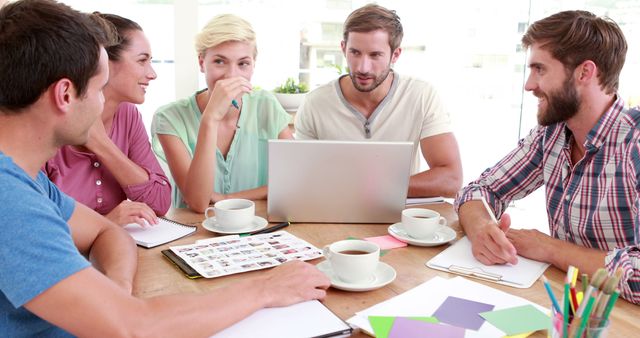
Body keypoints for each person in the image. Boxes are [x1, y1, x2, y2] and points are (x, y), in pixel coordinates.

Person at [0, 1, 329, 336]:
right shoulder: (9, 200)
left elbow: (105, 231)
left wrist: (117, 291)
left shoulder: (28, 179)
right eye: (100, 89)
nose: (103, 104)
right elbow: (134, 326)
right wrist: (266, 289)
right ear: (66, 95)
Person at [455, 10, 640, 304]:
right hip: (569, 305)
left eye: (540, 69)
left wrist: (551, 248)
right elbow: (480, 190)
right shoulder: (552, 134)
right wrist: (482, 229)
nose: (529, 85)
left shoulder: (634, 145)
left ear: (584, 72)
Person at [295, 4, 463, 198]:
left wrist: (374, 189)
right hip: (334, 214)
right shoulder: (315, 103)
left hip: (398, 220)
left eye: (375, 55)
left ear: (395, 55)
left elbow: (451, 179)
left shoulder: (421, 95)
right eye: (355, 52)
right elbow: (301, 178)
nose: (363, 67)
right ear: (343, 48)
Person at [152, 14, 293, 212]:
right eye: (220, 62)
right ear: (202, 63)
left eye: (243, 63)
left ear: (253, 65)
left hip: (257, 229)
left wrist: (226, 198)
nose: (231, 75)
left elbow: (295, 181)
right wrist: (210, 119)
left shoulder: (266, 106)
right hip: (197, 233)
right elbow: (198, 202)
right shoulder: (170, 118)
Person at [44, 13, 171, 227]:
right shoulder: (51, 123)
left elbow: (160, 201)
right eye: (142, 61)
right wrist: (106, 224)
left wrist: (101, 144)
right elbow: (33, 229)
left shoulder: (127, 114)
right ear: (104, 62)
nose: (152, 74)